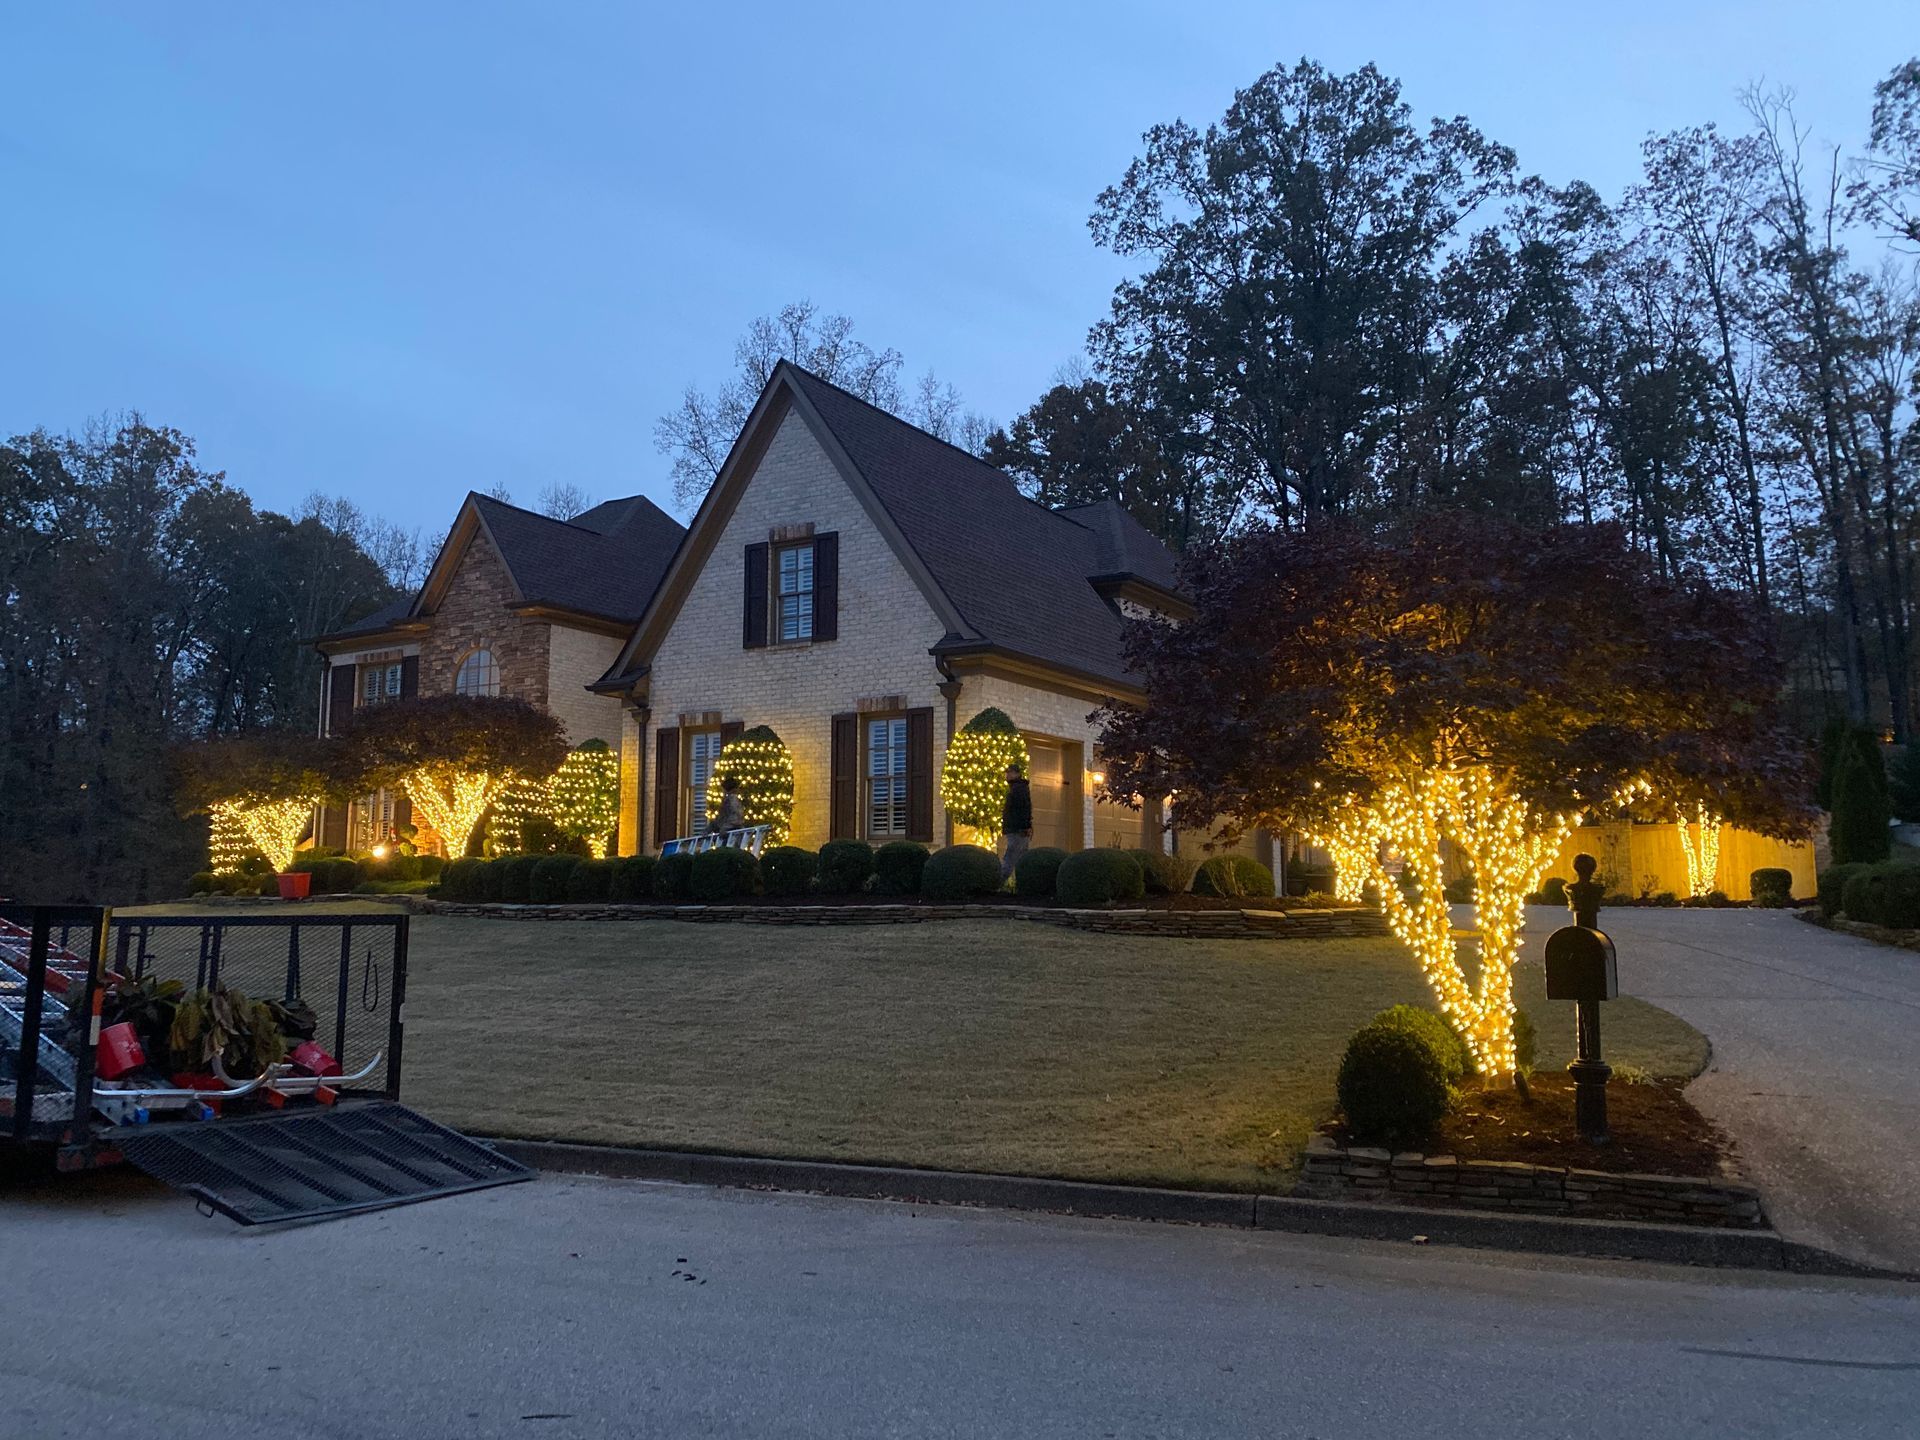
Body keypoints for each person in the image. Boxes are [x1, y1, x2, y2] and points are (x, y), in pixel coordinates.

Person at [1000, 763, 1033, 881]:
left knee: (1010, 857)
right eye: (1007, 772)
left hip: (1017, 830)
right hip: (1017, 829)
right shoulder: (1017, 788)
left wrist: (1026, 826)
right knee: (1020, 858)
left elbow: (1024, 808)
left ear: (1017, 774)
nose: (1007, 775)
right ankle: (1023, 882)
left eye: (1010, 772)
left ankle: (998, 882)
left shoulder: (1018, 789)